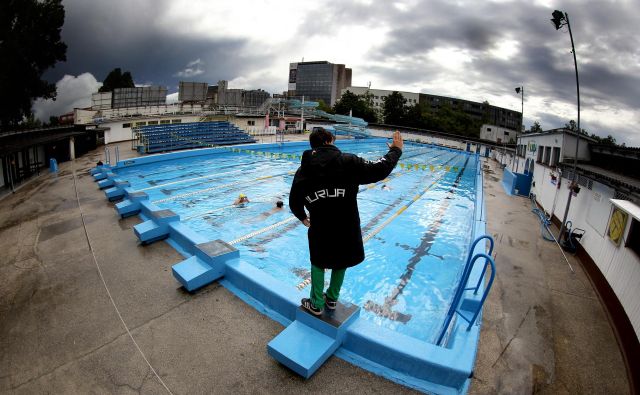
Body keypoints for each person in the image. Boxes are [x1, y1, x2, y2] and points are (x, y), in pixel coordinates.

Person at [289, 128, 403, 315]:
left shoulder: (303, 171)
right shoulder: (348, 161)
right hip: (346, 225)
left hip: (320, 226)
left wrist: (302, 217)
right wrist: (396, 150)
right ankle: (332, 298)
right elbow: (379, 169)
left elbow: (294, 200)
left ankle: (316, 303)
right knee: (340, 260)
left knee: (318, 261)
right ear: (329, 140)